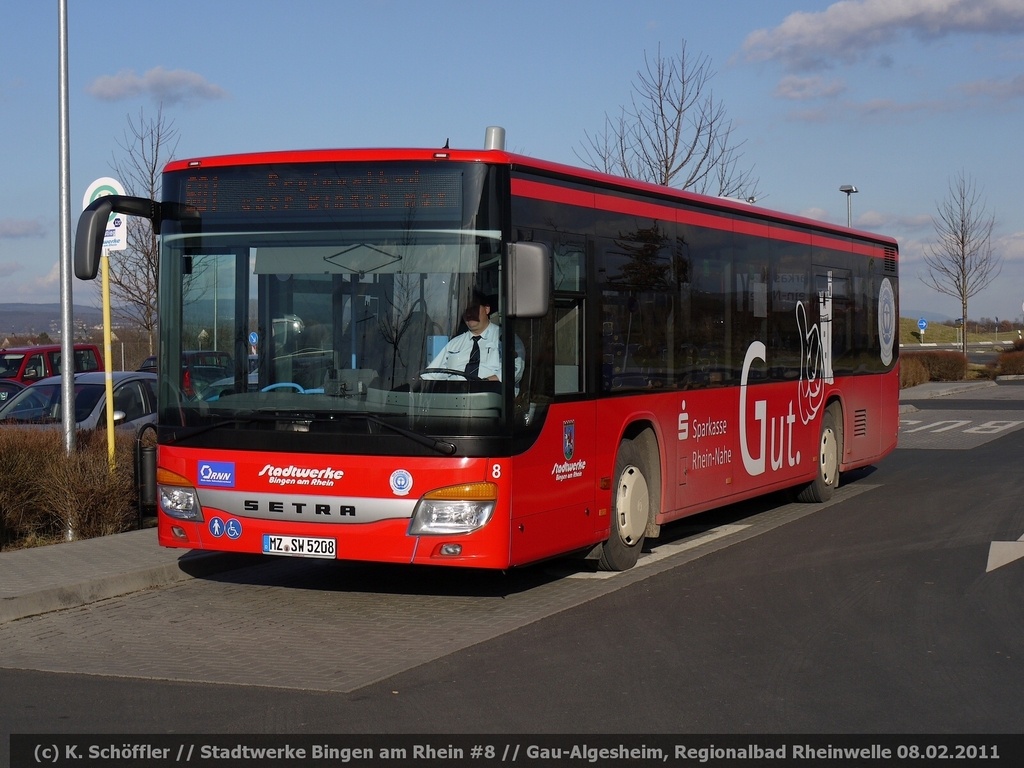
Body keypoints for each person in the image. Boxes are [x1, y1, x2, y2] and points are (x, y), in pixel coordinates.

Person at [423, 291, 524, 386]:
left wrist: (483, 383)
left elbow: (515, 370)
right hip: (454, 398)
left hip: (491, 398)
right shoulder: (454, 343)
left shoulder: (506, 339)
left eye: (473, 308)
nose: (469, 313)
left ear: (487, 309)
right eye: (465, 309)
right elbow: (431, 374)